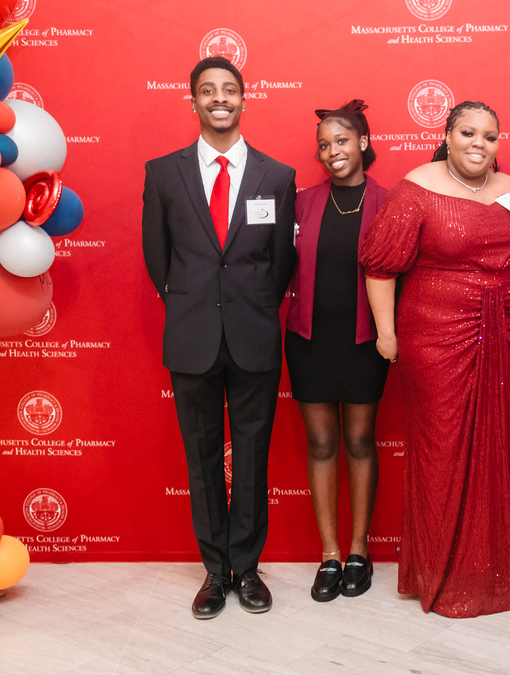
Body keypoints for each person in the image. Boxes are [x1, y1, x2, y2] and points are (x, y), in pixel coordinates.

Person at [358, 101, 510, 618]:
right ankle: (439, 570)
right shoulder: (417, 188)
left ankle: (489, 566)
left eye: (489, 136)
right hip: (436, 335)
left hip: (505, 330)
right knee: (442, 446)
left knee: (495, 441)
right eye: (468, 133)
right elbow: (379, 267)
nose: (479, 144)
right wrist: (386, 334)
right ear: (447, 135)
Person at [141, 56, 297, 619]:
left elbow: (282, 262)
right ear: (194, 102)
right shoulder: (164, 173)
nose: (219, 99)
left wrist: (250, 304)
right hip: (192, 336)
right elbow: (157, 257)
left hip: (255, 335)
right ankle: (214, 572)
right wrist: (192, 306)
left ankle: (247, 569)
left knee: (252, 457)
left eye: (229, 90)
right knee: (202, 458)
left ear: (244, 99)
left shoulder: (276, 176)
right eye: (207, 91)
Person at [285, 100, 389, 602]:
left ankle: (358, 552)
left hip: (365, 340)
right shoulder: (302, 202)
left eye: (342, 141)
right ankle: (329, 554)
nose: (332, 151)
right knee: (322, 443)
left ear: (363, 143)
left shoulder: (389, 202)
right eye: (324, 145)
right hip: (308, 339)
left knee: (361, 441)